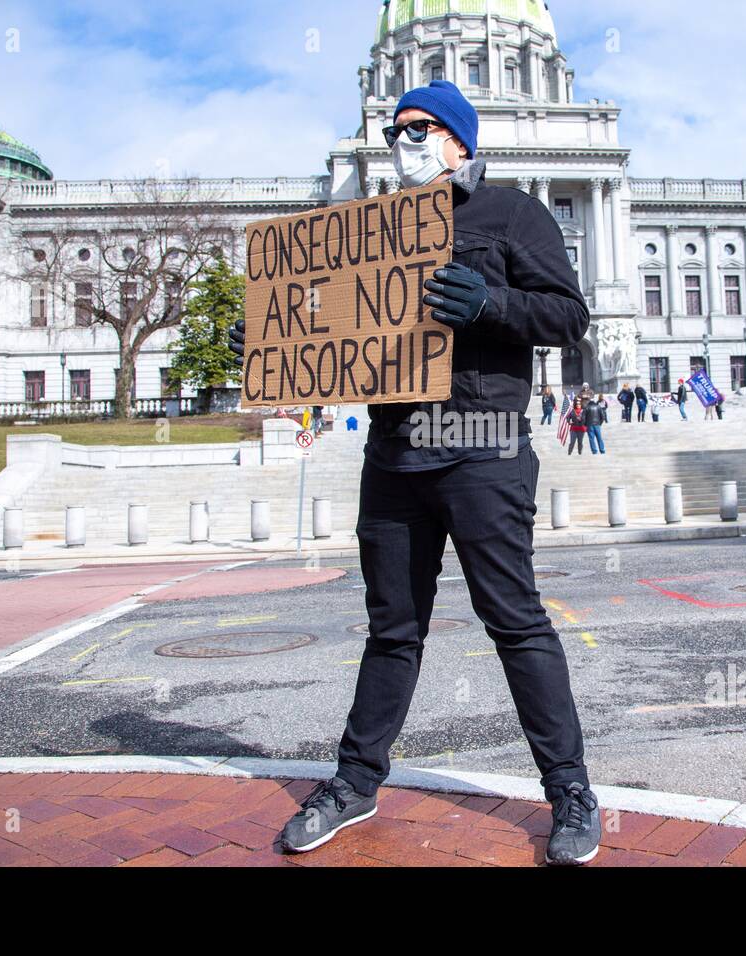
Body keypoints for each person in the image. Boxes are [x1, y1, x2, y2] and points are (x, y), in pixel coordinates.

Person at [230, 79, 599, 865]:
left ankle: (569, 790)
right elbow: (330, 332)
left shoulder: (512, 214)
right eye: (396, 128)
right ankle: (355, 781)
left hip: (483, 445)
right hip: (395, 454)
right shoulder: (366, 232)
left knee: (516, 621)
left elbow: (569, 317)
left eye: (420, 127)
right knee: (391, 630)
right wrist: (265, 340)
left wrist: (491, 303)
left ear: (458, 139)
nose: (404, 140)